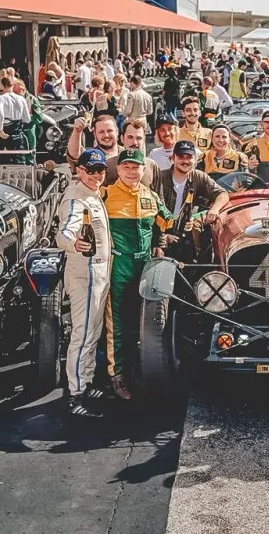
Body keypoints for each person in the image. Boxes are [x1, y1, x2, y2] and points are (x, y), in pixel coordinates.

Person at [103, 148, 173, 400]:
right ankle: (116, 374)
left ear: (144, 170)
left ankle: (139, 369)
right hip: (118, 265)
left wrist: (160, 242)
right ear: (118, 169)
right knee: (117, 323)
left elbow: (168, 222)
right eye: (127, 167)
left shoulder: (151, 196)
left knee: (143, 321)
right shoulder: (105, 195)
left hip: (144, 266)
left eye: (136, 167)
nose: (132, 172)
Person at [56, 149, 111, 418]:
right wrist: (73, 243)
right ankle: (75, 393)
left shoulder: (94, 194)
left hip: (99, 274)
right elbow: (64, 232)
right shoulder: (75, 199)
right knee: (83, 334)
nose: (96, 175)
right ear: (79, 171)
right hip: (85, 275)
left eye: (100, 170)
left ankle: (86, 382)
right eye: (91, 170)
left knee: (93, 332)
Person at [157, 140, 229, 242]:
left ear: (195, 159)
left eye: (189, 157)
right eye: (181, 157)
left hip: (186, 233)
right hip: (160, 233)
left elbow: (222, 194)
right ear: (173, 158)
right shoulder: (159, 178)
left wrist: (214, 209)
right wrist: (163, 236)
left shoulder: (199, 177)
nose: (185, 161)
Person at [0, 77, 32, 164]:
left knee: (2, 159)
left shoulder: (0, 98)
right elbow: (27, 119)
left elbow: (1, 114)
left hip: (5, 131)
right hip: (18, 131)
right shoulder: (21, 99)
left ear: (3, 85)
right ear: (12, 85)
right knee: (19, 158)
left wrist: (0, 130)